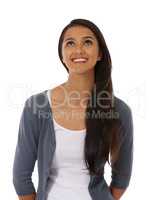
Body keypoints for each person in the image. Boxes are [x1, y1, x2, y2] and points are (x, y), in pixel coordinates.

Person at [12, 19, 133, 200]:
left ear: (100, 53)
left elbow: (122, 176)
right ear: (62, 54)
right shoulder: (36, 107)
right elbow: (21, 178)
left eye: (87, 42)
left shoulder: (119, 110)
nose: (78, 50)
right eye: (70, 43)